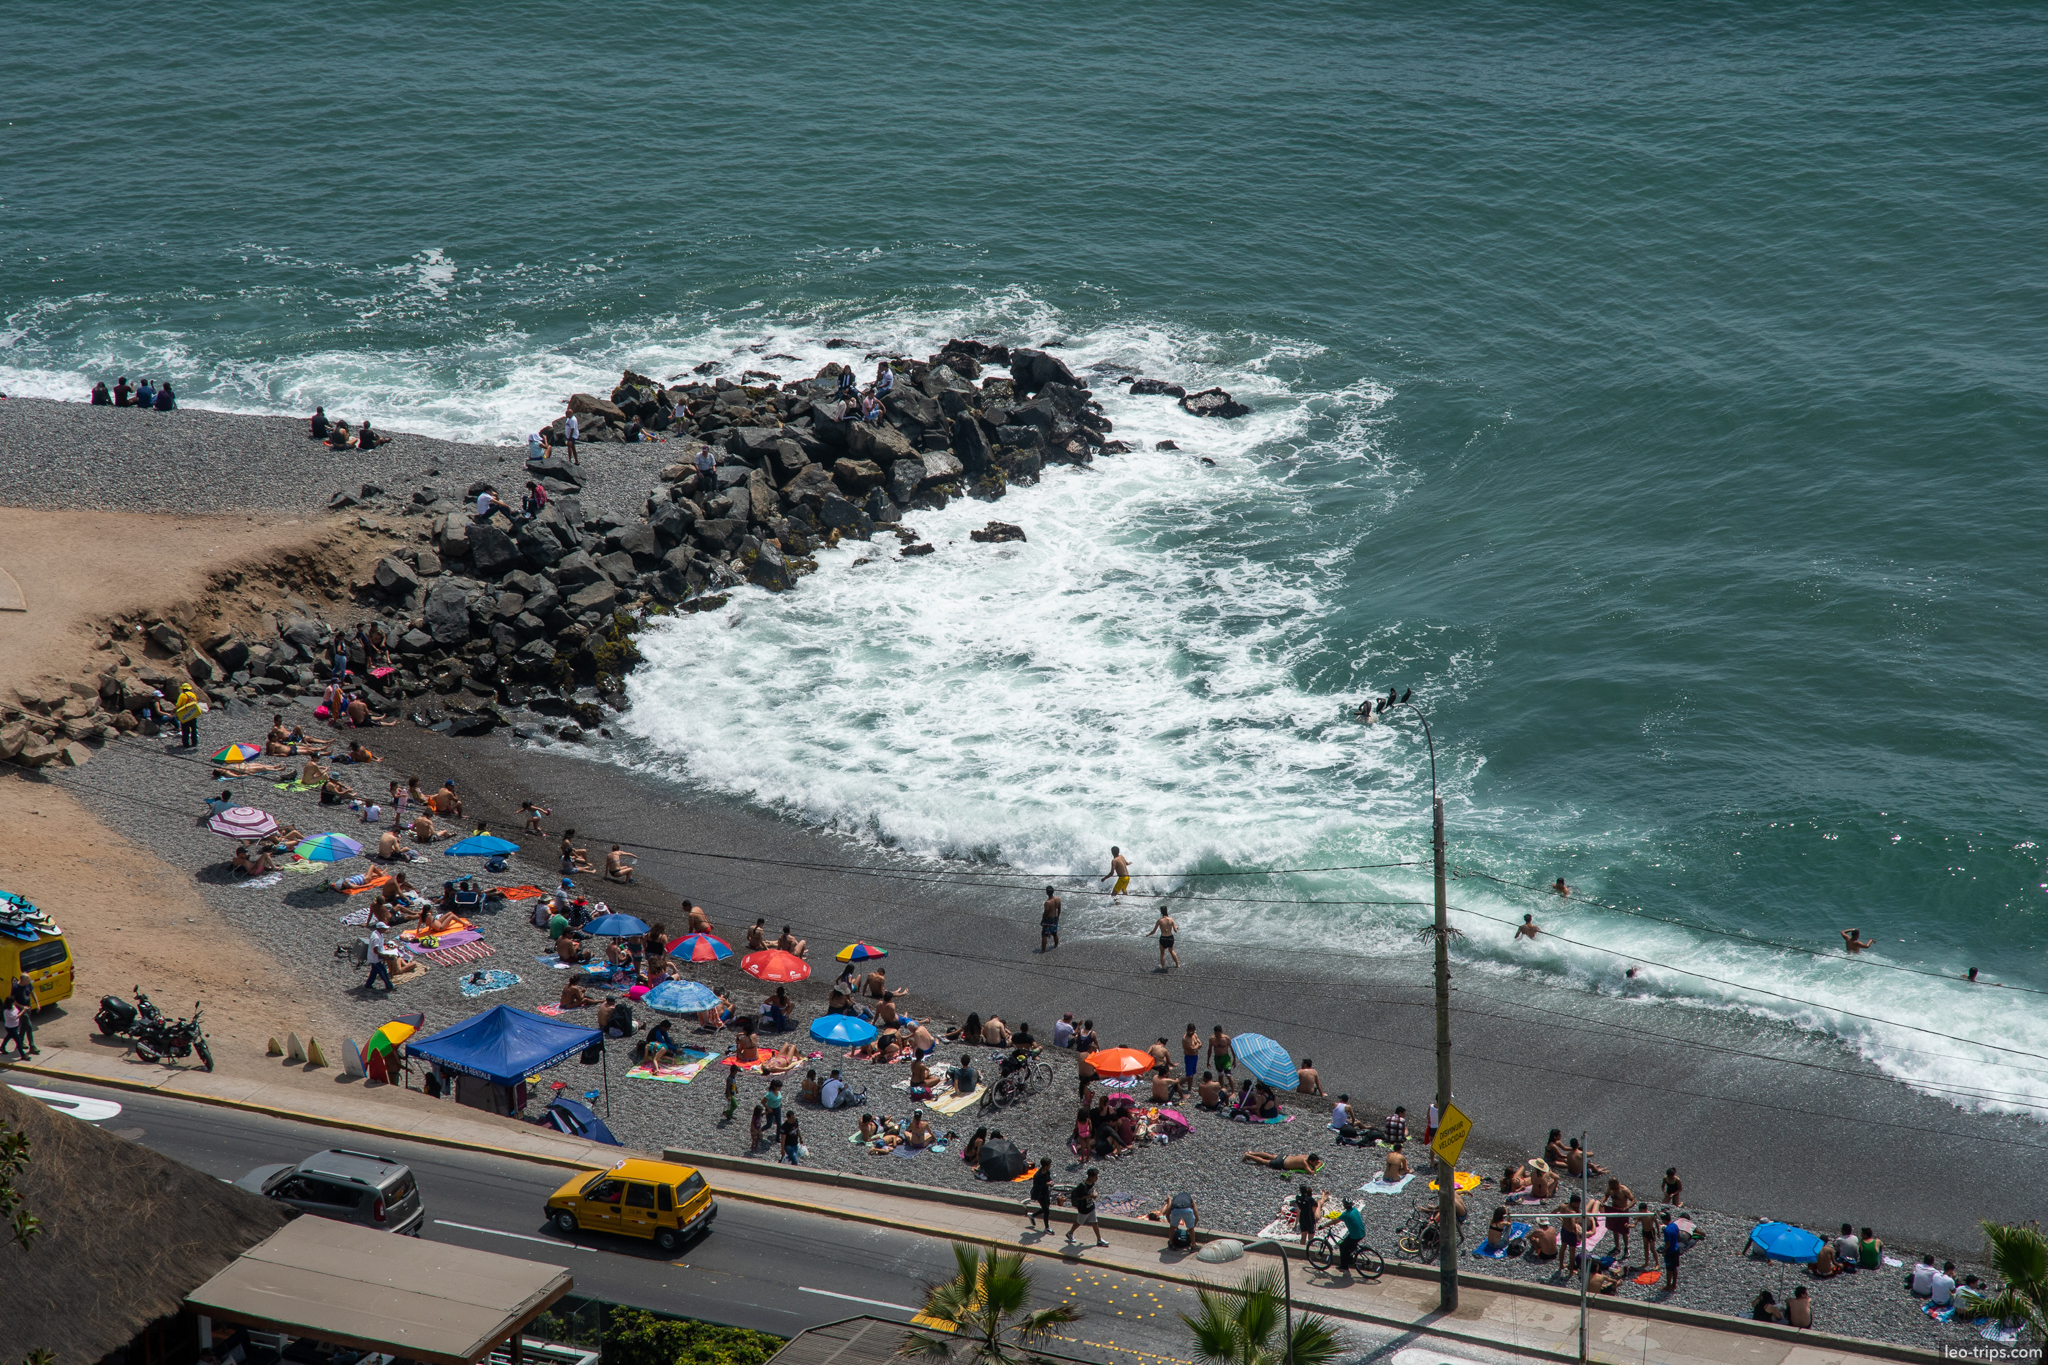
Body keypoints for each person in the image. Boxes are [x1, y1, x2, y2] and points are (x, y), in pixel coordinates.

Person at [1066, 1167, 1107, 1247]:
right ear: (1091, 1177)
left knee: (1095, 1222)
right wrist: (1091, 1196)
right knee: (1079, 1222)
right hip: (1084, 1208)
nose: (1097, 1178)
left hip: (1091, 1206)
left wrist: (1094, 1194)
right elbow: (1079, 1197)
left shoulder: (1091, 1183)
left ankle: (1099, 1239)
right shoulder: (1082, 1186)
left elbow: (1093, 1189)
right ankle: (1070, 1233)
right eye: (1096, 1176)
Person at [364, 924, 395, 991]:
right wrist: (384, 956)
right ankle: (389, 985)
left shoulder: (378, 933)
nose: (385, 930)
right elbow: (375, 950)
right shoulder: (376, 938)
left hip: (375, 957)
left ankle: (368, 984)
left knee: (374, 971)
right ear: (380, 928)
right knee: (382, 971)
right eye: (384, 929)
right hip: (375, 958)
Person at [1027, 1158, 1055, 1231]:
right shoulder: (1037, 1175)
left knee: (1046, 1208)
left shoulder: (1047, 1172)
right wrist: (1046, 1184)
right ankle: (1047, 1227)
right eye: (1049, 1165)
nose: (1050, 1166)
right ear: (1045, 1166)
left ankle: (1032, 1215)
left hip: (1046, 1193)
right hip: (1040, 1194)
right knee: (1046, 1211)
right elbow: (1037, 1186)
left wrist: (1051, 1182)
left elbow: (1049, 1179)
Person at [1662, 1213, 1686, 1289]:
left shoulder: (1666, 1230)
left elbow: (1668, 1242)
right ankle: (1674, 1284)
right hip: (1676, 1249)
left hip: (1670, 1251)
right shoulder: (1675, 1225)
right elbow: (1678, 1236)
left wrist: (1664, 1251)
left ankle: (1668, 1286)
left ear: (1664, 1220)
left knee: (1669, 1269)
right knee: (1674, 1267)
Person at [174, 683, 203, 748]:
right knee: (194, 729)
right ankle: (194, 743)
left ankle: (186, 744)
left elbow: (178, 705)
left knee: (185, 730)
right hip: (193, 714)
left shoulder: (182, 695)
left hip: (185, 714)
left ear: (183, 689)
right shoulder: (193, 695)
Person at [1243, 1151, 1324, 1173]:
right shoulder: (1304, 1162)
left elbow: (1320, 1162)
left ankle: (1252, 1153)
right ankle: (1249, 1156)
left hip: (1285, 1157)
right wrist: (1315, 1168)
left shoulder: (1306, 1156)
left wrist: (1316, 1165)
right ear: (1310, 1161)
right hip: (1282, 1163)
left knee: (1268, 1155)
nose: (1316, 1163)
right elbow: (1311, 1172)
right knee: (1264, 1161)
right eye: (1314, 1162)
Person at [1040, 886, 1061, 951]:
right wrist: (1058, 917)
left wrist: (1042, 920)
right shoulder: (1057, 899)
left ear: (1046, 893)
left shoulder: (1047, 903)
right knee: (1054, 933)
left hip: (1048, 919)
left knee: (1044, 935)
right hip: (1055, 918)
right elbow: (1059, 909)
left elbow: (1045, 913)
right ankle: (1056, 946)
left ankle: (1043, 950)